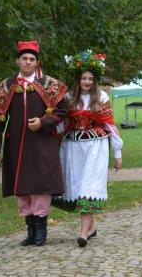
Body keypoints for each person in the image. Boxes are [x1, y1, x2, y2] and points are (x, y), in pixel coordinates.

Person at [0, 40, 68, 247]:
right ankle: (31, 230)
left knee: (40, 187)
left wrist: (43, 122)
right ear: (17, 61)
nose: (28, 62)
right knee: (22, 187)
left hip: (42, 144)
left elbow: (62, 111)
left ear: (36, 62)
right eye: (24, 58)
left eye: (32, 59)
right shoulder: (6, 87)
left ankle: (41, 231)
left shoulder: (49, 85)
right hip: (16, 145)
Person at [52, 50, 123, 247]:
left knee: (88, 187)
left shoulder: (101, 97)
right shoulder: (68, 97)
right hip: (73, 147)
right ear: (78, 79)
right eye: (83, 78)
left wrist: (118, 153)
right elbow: (61, 124)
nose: (87, 81)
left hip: (95, 147)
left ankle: (83, 233)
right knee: (77, 186)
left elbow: (110, 125)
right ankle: (91, 228)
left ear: (95, 80)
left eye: (90, 78)